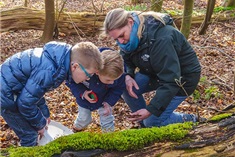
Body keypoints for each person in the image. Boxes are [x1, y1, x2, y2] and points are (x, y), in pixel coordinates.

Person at [103, 8, 202, 128]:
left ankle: (188, 119)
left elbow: (171, 80)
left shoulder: (160, 39)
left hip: (182, 79)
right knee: (126, 86)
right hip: (154, 72)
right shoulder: (132, 36)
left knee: (153, 121)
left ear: (130, 22)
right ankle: (144, 125)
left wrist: (151, 110)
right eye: (116, 39)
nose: (121, 41)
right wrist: (128, 75)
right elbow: (126, 58)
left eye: (122, 36)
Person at [0, 41, 103, 146]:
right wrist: (40, 124)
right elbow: (25, 103)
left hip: (14, 92)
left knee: (34, 128)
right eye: (88, 74)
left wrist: (45, 114)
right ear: (75, 67)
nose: (88, 78)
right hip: (5, 96)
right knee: (30, 135)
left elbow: (35, 93)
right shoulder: (50, 71)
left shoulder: (56, 63)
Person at [66, 49, 125, 132]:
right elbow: (71, 82)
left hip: (104, 99)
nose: (112, 82)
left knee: (107, 119)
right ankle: (76, 129)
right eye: (108, 80)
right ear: (97, 72)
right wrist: (82, 93)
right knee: (84, 119)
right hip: (85, 100)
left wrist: (108, 103)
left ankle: (109, 139)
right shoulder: (86, 69)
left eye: (115, 80)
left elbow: (118, 89)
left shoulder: (117, 74)